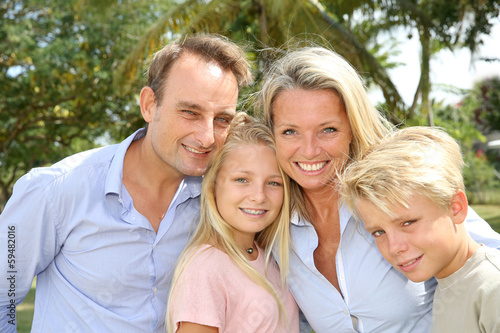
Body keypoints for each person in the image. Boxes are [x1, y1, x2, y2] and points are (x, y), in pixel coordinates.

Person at [0, 34, 252, 332]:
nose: (208, 136)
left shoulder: (221, 201)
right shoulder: (54, 191)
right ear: (149, 105)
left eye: (222, 119)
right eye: (190, 112)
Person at [257, 46, 500, 333]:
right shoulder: (268, 222)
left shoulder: (399, 189)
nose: (309, 150)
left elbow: (484, 263)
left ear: (352, 128)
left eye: (328, 130)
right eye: (290, 131)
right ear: (272, 135)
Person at [340, 126, 500, 333]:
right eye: (379, 232)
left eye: (408, 222)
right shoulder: (449, 282)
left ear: (456, 207)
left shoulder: (492, 287)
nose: (394, 247)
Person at [166, 113, 299, 333]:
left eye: (273, 183)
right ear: (214, 184)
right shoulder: (206, 267)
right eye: (242, 180)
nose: (259, 196)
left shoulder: (265, 255)